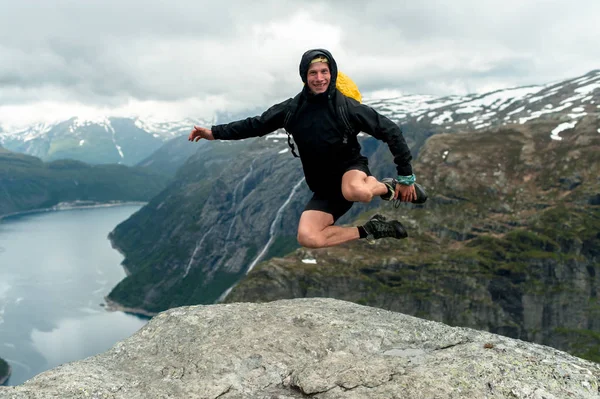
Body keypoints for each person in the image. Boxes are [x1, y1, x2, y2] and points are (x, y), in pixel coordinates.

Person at [189, 48, 425, 248]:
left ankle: (387, 188)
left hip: (350, 170)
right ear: (305, 76)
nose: (320, 78)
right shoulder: (292, 109)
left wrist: (405, 175)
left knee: (358, 192)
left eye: (324, 71)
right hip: (324, 187)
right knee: (308, 237)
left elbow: (391, 131)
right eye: (313, 73)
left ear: (331, 73)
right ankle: (371, 229)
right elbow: (256, 125)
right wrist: (214, 133)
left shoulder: (347, 107)